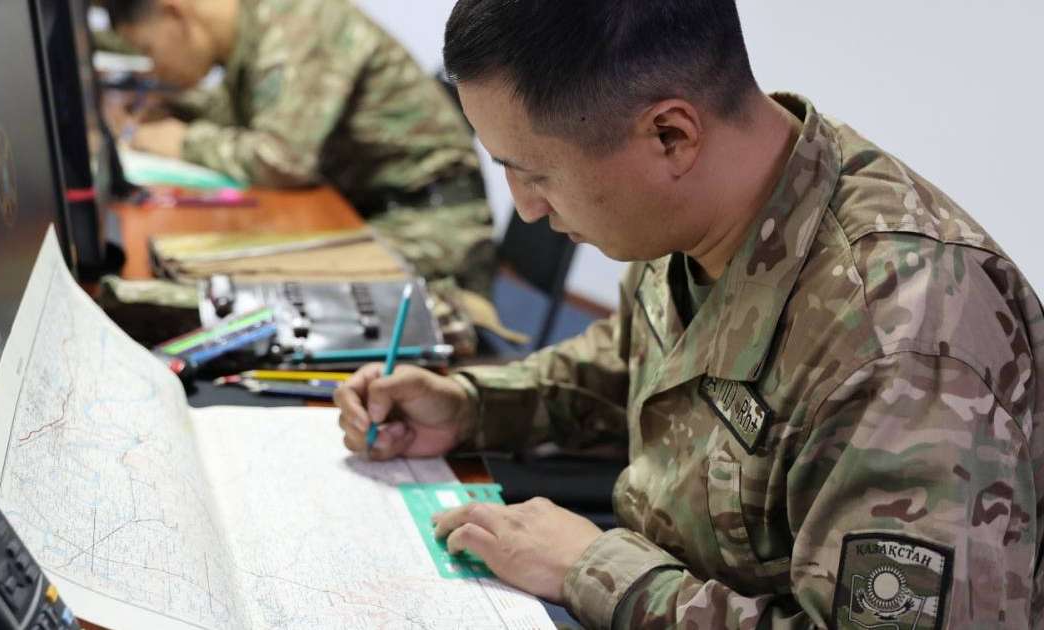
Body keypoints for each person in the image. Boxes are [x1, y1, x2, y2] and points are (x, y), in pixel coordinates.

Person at [335, 1, 1043, 627]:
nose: (525, 207)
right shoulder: (702, 207)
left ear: (671, 135)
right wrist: (471, 404)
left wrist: (598, 571)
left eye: (535, 172)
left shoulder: (906, 342)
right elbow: (639, 360)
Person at [100, 0, 496, 294]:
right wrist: (178, 110)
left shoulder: (298, 21)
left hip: (434, 228)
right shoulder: (256, 27)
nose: (154, 69)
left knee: (253, 287)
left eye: (149, 50)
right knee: (228, 274)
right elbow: (255, 112)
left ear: (176, 13)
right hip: (374, 210)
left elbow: (282, 158)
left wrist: (181, 140)